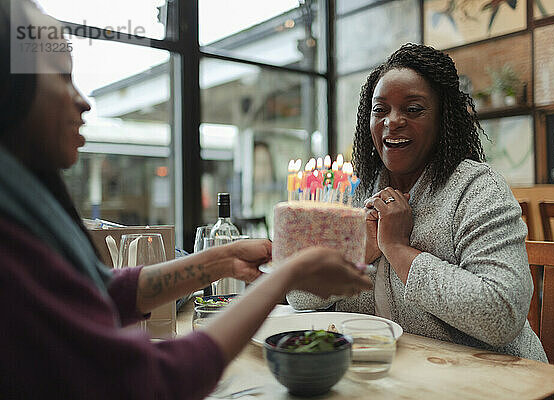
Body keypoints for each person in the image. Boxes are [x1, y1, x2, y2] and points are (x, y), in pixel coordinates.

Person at [0, 1, 372, 398]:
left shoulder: (24, 202)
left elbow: (103, 292)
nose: (83, 100)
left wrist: (220, 261)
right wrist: (289, 273)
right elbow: (153, 380)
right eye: (61, 76)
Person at [287, 43, 547, 362]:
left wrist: (397, 249)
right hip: (390, 374)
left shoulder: (477, 188)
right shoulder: (355, 191)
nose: (393, 121)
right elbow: (298, 294)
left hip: (493, 378)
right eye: (380, 109)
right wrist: (359, 251)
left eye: (413, 109)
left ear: (443, 118)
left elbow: (501, 315)